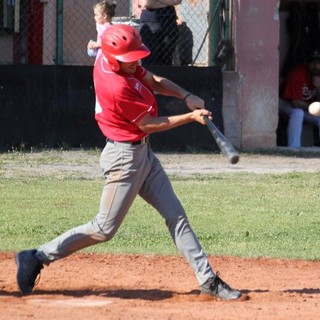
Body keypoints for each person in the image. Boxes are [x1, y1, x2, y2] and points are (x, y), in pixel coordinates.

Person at [15, 24, 243, 301]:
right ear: (113, 59)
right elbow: (149, 124)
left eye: (136, 56)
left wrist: (186, 96)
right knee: (103, 229)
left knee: (176, 216)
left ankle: (208, 279)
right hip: (124, 159)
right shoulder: (116, 86)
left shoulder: (116, 60)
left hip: (143, 155)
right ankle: (37, 256)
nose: (135, 62)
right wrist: (189, 117)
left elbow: (154, 81)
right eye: (129, 59)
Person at [279, 51, 320, 148]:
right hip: (283, 102)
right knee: (297, 113)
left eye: (318, 63)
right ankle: (294, 148)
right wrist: (313, 107)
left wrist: (319, 88)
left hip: (305, 106)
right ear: (307, 63)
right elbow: (295, 103)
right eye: (312, 62)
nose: (315, 65)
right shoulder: (297, 74)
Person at [138, 0, 181, 66]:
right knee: (150, 60)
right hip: (150, 20)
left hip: (169, 20)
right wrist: (168, 2)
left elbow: (177, 1)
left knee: (166, 61)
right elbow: (147, 2)